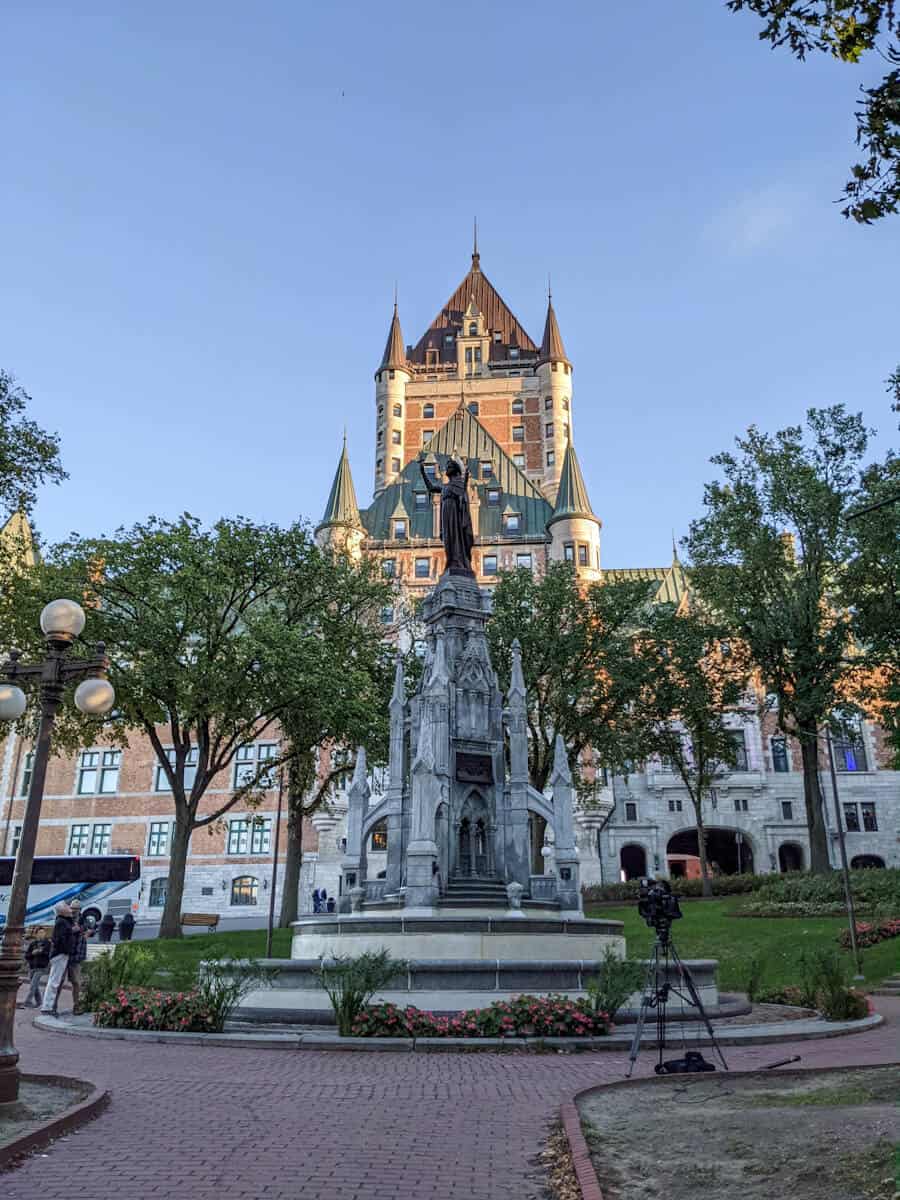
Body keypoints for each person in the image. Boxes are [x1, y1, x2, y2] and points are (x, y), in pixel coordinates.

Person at [418, 451, 474, 576]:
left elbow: (463, 495)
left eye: (449, 466)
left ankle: (458, 562)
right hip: (446, 515)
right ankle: (452, 562)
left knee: (456, 538)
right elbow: (431, 488)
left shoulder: (459, 483)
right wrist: (422, 471)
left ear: (455, 470)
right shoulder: (445, 486)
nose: (446, 468)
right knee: (448, 540)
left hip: (455, 515)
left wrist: (465, 478)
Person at [41, 902, 74, 1016]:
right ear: (62, 911)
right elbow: (59, 939)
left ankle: (48, 1006)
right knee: (54, 981)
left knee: (55, 980)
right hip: (60, 954)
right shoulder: (61, 922)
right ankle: (47, 1007)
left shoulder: (63, 921)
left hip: (61, 953)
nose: (69, 908)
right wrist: (66, 949)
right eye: (67, 906)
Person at [67, 901, 91, 1011]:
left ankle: (76, 1005)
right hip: (65, 953)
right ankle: (52, 1006)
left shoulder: (83, 919)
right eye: (72, 908)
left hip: (77, 955)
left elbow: (90, 929)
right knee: (58, 982)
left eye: (76, 909)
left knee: (76, 982)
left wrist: (85, 931)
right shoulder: (67, 918)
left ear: (80, 909)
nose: (73, 910)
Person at [22, 926, 51, 1008]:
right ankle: (39, 1002)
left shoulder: (47, 943)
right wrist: (32, 953)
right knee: (34, 985)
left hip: (42, 967)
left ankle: (28, 1001)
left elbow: (48, 954)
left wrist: (40, 952)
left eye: (43, 932)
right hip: (32, 967)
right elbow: (27, 955)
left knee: (33, 984)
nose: (41, 934)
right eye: (39, 933)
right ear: (36, 934)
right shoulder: (33, 944)